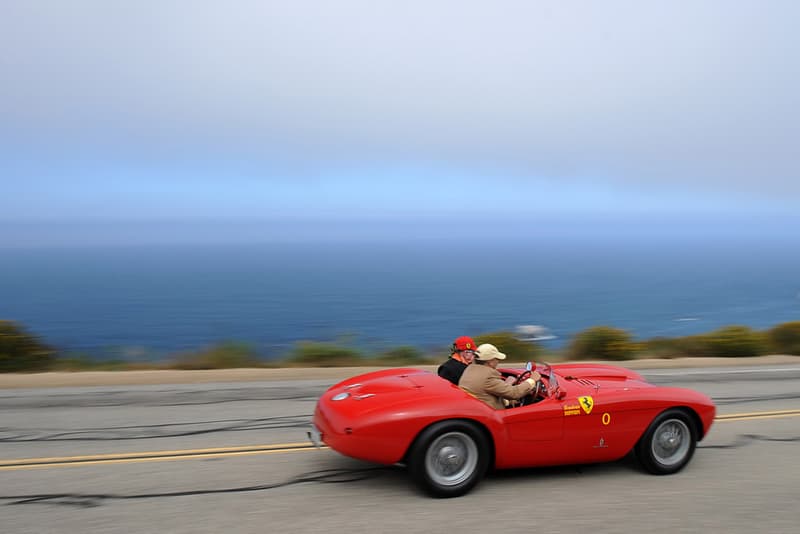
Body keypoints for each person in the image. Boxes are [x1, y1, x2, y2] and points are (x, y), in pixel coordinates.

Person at [458, 343, 541, 409]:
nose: (498, 361)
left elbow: (484, 395)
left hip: (477, 407)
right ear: (490, 362)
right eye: (497, 359)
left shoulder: (469, 369)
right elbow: (514, 393)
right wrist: (532, 380)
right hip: (490, 416)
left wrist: (507, 400)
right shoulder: (488, 377)